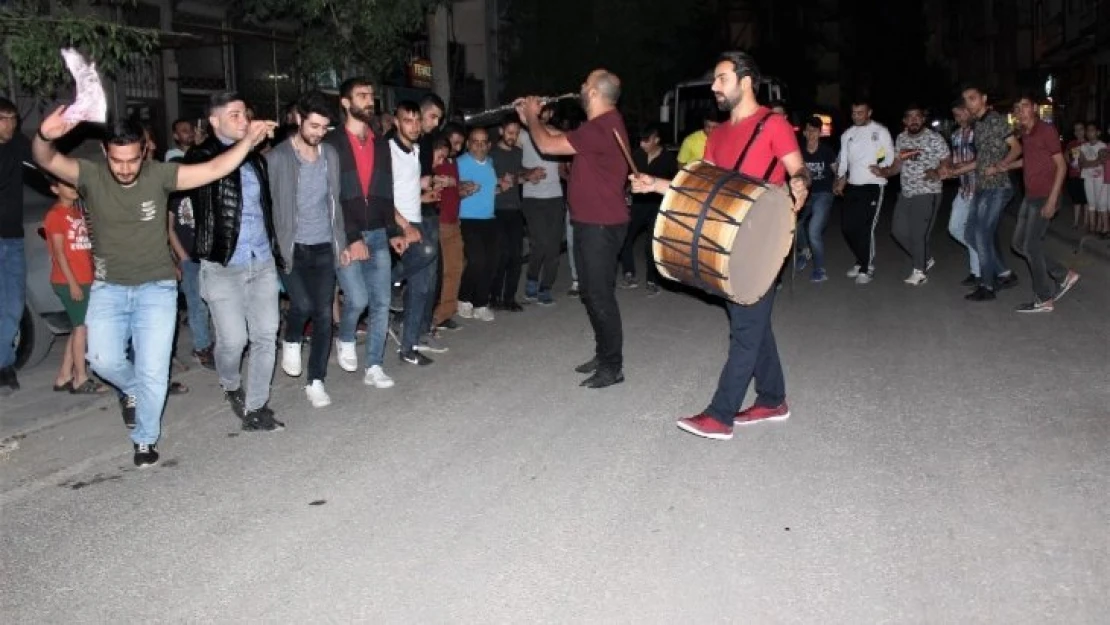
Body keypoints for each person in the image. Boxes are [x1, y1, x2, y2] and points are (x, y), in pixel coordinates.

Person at [33, 107, 276, 467]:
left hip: (157, 289)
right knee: (103, 360)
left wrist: (247, 143)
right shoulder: (90, 176)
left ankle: (145, 439)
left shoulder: (160, 175)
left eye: (132, 159)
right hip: (108, 288)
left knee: (153, 368)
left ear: (144, 152)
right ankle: (131, 390)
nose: (126, 168)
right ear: (105, 154)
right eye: (118, 161)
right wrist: (43, 136)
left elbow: (213, 169)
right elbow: (46, 158)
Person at [630, 51, 809, 440]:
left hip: (762, 238)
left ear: (745, 82)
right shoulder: (719, 135)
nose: (714, 87)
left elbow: (798, 167)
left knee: (745, 325)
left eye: (721, 78)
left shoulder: (773, 124)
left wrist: (800, 183)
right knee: (752, 321)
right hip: (723, 240)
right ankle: (773, 399)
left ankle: (720, 414)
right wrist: (656, 185)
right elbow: (700, 190)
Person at [518, 69, 631, 389]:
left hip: (601, 224)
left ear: (595, 93)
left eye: (586, 83)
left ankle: (613, 366)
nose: (580, 87)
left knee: (599, 295)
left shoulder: (601, 126)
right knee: (592, 294)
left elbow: (548, 145)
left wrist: (532, 116)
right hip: (591, 222)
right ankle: (604, 353)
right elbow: (548, 141)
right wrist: (532, 121)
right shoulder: (601, 125)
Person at [185, 92, 285, 432]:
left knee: (265, 335)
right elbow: (214, 173)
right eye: (235, 115)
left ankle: (257, 407)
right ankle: (230, 384)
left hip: (261, 260)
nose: (244, 120)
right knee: (233, 342)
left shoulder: (256, 159)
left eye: (245, 113)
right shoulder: (200, 156)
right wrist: (249, 143)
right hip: (223, 265)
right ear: (214, 122)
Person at [267, 90, 347, 407]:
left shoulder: (330, 156)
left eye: (324, 128)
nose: (318, 133)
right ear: (299, 119)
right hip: (292, 247)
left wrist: (340, 241)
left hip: (324, 245)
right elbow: (268, 206)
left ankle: (316, 381)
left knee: (324, 313)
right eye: (313, 126)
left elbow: (335, 203)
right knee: (300, 304)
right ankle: (292, 338)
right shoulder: (278, 158)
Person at [999, 93, 1080, 313]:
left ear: (1034, 108)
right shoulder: (1026, 132)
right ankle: (1064, 274)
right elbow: (1032, 159)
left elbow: (1061, 165)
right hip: (1030, 196)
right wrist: (1007, 165)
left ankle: (1044, 297)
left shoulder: (1046, 130)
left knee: (1031, 245)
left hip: (1045, 196)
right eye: (1017, 107)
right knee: (1018, 244)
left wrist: (1053, 199)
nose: (1020, 111)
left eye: (1025, 106)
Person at [956, 84, 1021, 301]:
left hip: (998, 186)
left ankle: (988, 286)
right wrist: (955, 170)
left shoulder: (995, 120)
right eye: (965, 99)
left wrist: (1001, 165)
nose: (968, 103)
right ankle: (1004, 274)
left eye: (972, 98)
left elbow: (1016, 148)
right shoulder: (978, 124)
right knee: (970, 234)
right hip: (983, 186)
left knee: (982, 235)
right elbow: (980, 161)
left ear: (983, 98)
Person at [872, 104, 949, 286]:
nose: (914, 120)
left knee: (917, 233)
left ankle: (919, 272)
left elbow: (947, 160)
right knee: (897, 231)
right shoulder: (901, 138)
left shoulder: (934, 138)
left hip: (927, 191)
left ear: (923, 119)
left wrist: (938, 171)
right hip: (906, 192)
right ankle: (925, 258)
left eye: (917, 116)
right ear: (905, 121)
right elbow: (898, 165)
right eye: (910, 117)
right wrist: (884, 172)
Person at [389, 100, 440, 365]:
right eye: (407, 120)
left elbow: (408, 187)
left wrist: (426, 191)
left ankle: (408, 347)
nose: (414, 125)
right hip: (399, 223)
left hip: (417, 220)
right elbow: (384, 196)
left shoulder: (417, 151)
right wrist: (404, 226)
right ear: (396, 122)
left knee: (421, 288)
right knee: (428, 252)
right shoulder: (387, 152)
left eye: (417, 120)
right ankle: (387, 284)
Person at [42, 177, 104, 394]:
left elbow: (84, 248)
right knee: (81, 329)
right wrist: (73, 284)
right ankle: (80, 377)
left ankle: (64, 375)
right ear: (54, 189)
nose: (73, 188)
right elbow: (59, 253)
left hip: (85, 277)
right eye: (66, 185)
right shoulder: (55, 215)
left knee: (80, 327)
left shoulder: (76, 213)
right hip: (69, 280)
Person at [833, 99, 895, 284]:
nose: (856, 115)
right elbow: (843, 159)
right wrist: (840, 178)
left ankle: (866, 268)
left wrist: (881, 165)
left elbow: (887, 153)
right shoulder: (847, 134)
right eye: (854, 112)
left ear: (869, 112)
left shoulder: (880, 131)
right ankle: (861, 260)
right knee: (847, 228)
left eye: (860, 112)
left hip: (873, 185)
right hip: (853, 185)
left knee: (865, 228)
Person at [620, 123, 676, 294]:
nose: (642, 144)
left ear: (656, 140)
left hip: (657, 207)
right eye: (641, 140)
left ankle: (652, 280)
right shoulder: (636, 155)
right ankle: (629, 273)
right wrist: (625, 191)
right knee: (625, 238)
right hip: (637, 205)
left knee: (651, 244)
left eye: (646, 140)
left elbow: (673, 185)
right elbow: (626, 179)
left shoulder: (668, 159)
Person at [0, 97, 32, 395]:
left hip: (12, 238)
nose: (9, 124)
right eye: (3, 118)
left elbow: (41, 162)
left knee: (13, 305)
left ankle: (4, 364)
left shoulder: (18, 144)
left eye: (12, 118)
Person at [519, 103, 565, 306]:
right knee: (539, 244)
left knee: (553, 247)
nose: (539, 113)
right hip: (532, 197)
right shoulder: (523, 134)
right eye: (536, 110)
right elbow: (507, 152)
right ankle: (531, 278)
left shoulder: (557, 135)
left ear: (550, 113)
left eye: (543, 110)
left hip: (555, 197)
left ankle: (546, 287)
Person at [489, 113, 535, 311]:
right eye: (509, 132)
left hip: (515, 208)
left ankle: (509, 298)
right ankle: (494, 297)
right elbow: (487, 182)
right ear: (501, 131)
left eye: (516, 133)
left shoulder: (517, 152)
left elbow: (519, 177)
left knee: (516, 255)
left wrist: (530, 175)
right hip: (496, 209)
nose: (513, 136)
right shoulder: (491, 154)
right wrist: (500, 182)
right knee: (501, 255)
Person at [456, 127, 500, 322]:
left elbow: (490, 189)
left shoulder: (490, 163)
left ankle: (481, 303)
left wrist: (501, 187)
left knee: (491, 262)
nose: (480, 146)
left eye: (483, 142)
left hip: (489, 219)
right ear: (468, 144)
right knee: (477, 260)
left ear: (489, 145)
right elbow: (452, 189)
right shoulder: (459, 163)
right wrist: (464, 188)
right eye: (475, 141)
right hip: (468, 218)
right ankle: (464, 298)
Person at [940, 101, 981, 287]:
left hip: (980, 189)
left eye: (962, 113)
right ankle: (984, 256)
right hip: (963, 189)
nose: (959, 118)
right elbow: (955, 163)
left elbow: (984, 159)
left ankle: (977, 272)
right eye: (956, 115)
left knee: (973, 231)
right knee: (955, 228)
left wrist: (957, 170)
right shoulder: (955, 135)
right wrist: (946, 170)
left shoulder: (979, 131)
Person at [798, 115, 837, 282]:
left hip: (824, 193)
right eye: (808, 130)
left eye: (815, 131)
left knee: (814, 230)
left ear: (820, 133)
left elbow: (837, 171)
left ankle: (820, 269)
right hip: (806, 193)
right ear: (804, 132)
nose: (811, 134)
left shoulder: (827, 151)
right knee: (795, 223)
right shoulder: (799, 150)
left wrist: (838, 184)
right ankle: (805, 250)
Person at [1064, 121, 1088, 229]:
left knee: (1086, 200)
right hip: (1073, 175)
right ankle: (1076, 222)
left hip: (1086, 175)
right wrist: (1070, 163)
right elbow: (1065, 155)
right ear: (1074, 132)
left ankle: (1086, 222)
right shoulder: (1071, 143)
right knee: (1076, 200)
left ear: (1085, 131)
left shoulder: (1088, 143)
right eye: (1076, 129)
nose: (1079, 131)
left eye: (1081, 129)